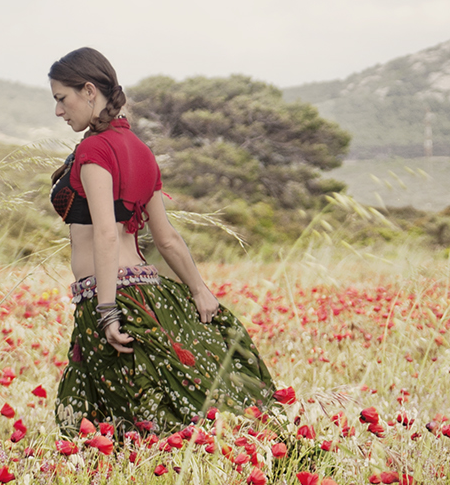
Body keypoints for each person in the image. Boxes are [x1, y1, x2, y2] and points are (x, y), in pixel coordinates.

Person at [46, 47, 278, 436]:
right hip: (149, 293)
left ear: (88, 91)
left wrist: (106, 311)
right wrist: (200, 290)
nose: (58, 111)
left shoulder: (94, 149)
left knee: (113, 425)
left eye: (60, 99)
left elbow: (105, 232)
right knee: (160, 412)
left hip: (110, 297)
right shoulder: (141, 151)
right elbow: (167, 239)